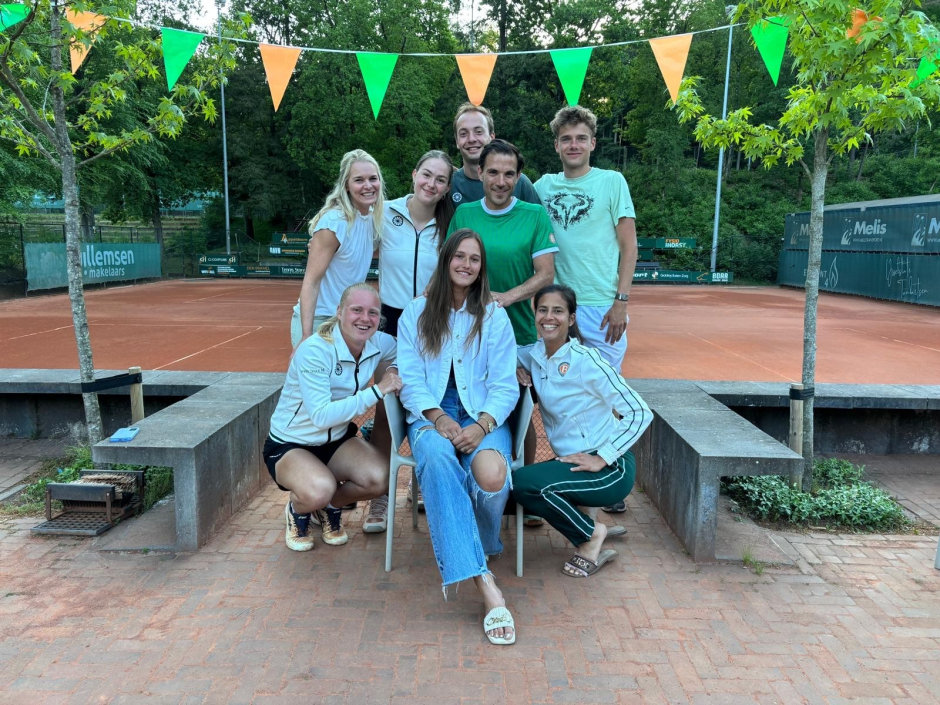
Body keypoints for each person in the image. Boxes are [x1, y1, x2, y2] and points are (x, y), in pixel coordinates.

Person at [397, 229, 520, 645]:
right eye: (460, 256)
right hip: (430, 413)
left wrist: (481, 425)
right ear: (446, 259)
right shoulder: (416, 312)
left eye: (475, 259)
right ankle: (485, 581)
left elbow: (504, 385)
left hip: (482, 414)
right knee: (437, 457)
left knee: (491, 475)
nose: (466, 264)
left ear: (482, 268)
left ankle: (480, 541)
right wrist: (437, 418)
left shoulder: (494, 315)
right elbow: (411, 380)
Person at [534, 105, 639, 514]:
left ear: (593, 143)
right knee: (562, 397)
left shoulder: (612, 182)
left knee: (608, 398)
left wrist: (621, 300)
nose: (573, 145)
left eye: (581, 138)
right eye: (566, 139)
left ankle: (610, 480)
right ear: (556, 145)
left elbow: (629, 245)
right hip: (556, 308)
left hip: (600, 308)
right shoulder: (542, 186)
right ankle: (572, 481)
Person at [448, 138, 557, 527]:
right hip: (471, 339)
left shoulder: (534, 215)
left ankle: (522, 494)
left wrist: (505, 299)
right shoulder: (464, 214)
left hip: (523, 335)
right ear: (479, 173)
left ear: (518, 177)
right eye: (493, 172)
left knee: (524, 417)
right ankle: (475, 490)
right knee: (475, 408)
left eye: (509, 174)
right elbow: (451, 270)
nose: (500, 181)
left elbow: (546, 274)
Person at [513, 284, 652, 577]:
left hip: (611, 469)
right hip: (574, 462)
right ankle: (589, 525)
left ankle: (590, 536)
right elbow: (500, 354)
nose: (549, 317)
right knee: (513, 486)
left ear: (572, 318)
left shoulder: (587, 361)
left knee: (524, 483)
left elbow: (640, 412)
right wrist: (513, 367)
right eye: (542, 310)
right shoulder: (534, 355)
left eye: (558, 311)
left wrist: (603, 456)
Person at [266, 283, 401, 553]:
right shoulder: (314, 350)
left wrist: (392, 370)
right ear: (339, 312)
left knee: (379, 478)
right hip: (292, 444)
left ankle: (329, 507)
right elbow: (320, 416)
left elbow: (403, 353)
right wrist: (377, 390)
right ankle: (299, 509)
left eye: (373, 313)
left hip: (336, 442)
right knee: (320, 488)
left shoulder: (379, 343)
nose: (365, 319)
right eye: (356, 310)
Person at [291, 149, 385, 348]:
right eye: (359, 180)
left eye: (373, 178)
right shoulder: (335, 222)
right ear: (346, 186)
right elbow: (311, 282)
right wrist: (306, 335)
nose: (368, 186)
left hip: (348, 321)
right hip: (320, 321)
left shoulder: (372, 219)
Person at [380, 150, 455, 337]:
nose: (431, 184)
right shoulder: (384, 212)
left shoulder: (452, 224)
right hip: (388, 322)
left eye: (440, 180)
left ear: (447, 188)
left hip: (433, 321)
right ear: (414, 174)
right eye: (426, 175)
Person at [450, 103, 541, 207]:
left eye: (478, 132)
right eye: (463, 134)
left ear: (492, 137)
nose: (471, 139)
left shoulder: (520, 184)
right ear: (457, 141)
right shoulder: (450, 186)